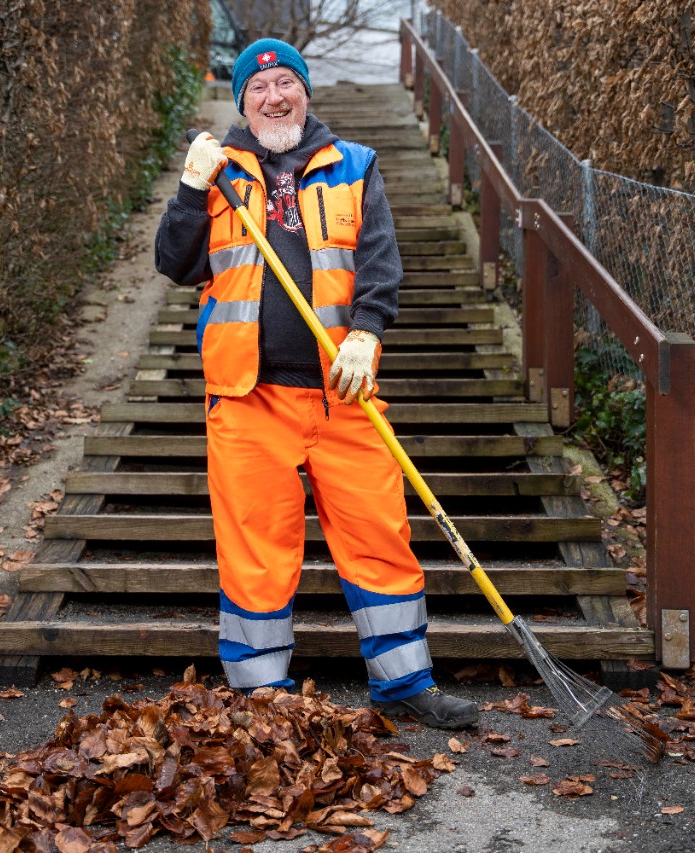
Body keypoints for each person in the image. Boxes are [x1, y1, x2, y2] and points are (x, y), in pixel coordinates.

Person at [154, 38, 478, 729]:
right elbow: (174, 266)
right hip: (247, 397)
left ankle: (403, 683)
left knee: (379, 534)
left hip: (344, 392)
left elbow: (380, 261)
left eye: (286, 84)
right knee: (255, 549)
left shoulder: (354, 165)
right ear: (243, 102)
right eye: (259, 88)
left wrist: (367, 331)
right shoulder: (217, 173)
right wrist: (189, 188)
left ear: (305, 90)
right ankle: (258, 697)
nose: (275, 97)